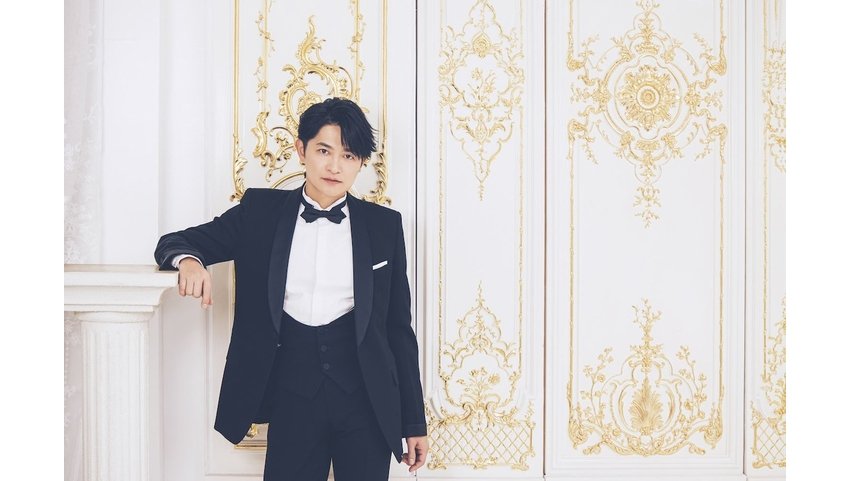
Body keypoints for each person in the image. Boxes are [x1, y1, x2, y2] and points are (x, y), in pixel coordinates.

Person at [154, 97, 429, 480]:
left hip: (366, 401)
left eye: (349, 156)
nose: (335, 166)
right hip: (291, 399)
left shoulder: (384, 226)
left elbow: (399, 328)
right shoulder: (260, 212)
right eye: (324, 151)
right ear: (301, 150)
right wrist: (189, 261)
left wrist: (414, 421)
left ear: (361, 163)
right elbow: (176, 241)